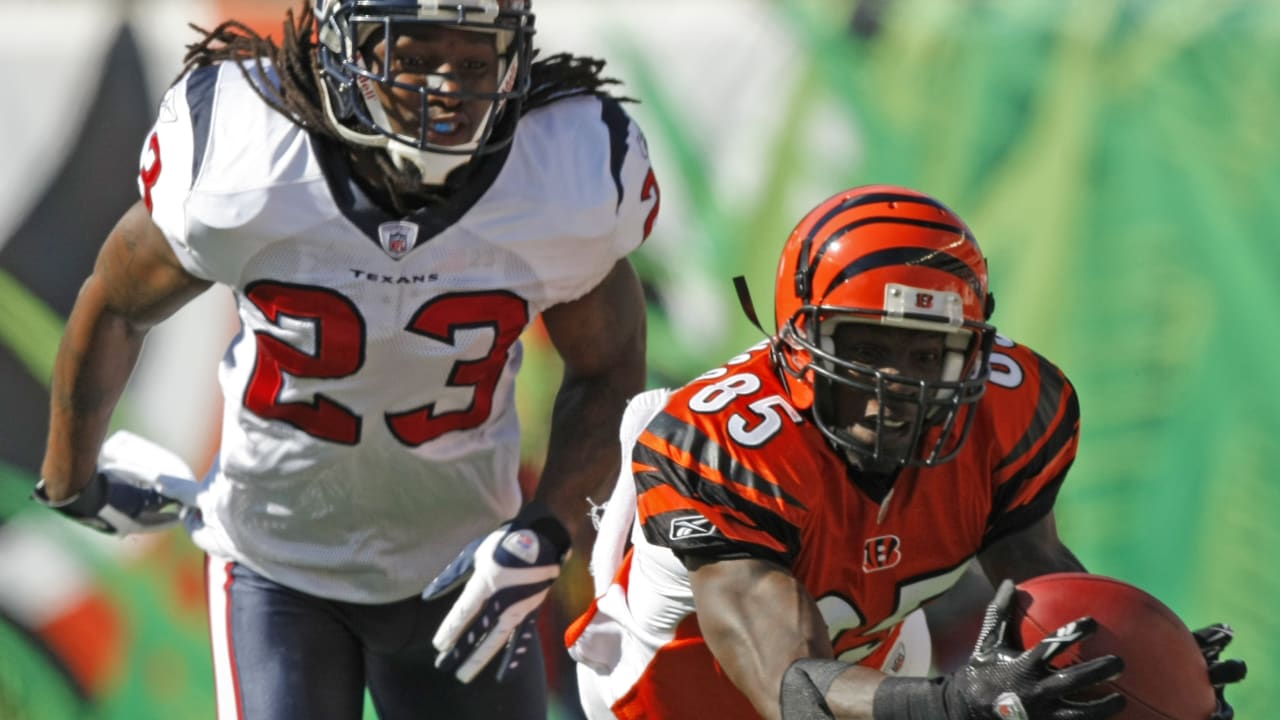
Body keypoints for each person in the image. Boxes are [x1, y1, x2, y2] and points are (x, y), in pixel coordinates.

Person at [35, 0, 659, 718]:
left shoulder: (561, 178)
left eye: (475, 61)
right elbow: (116, 305)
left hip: (464, 564)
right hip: (277, 568)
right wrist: (70, 479)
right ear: (344, 49)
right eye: (417, 59)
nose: (449, 90)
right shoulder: (248, 165)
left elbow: (608, 366)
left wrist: (547, 528)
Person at [567, 185, 1245, 720]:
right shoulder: (725, 446)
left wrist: (1129, 664)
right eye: (866, 348)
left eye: (926, 354)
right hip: (677, 698)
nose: (896, 385)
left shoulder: (1010, 409)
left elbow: (1034, 581)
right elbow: (791, 690)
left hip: (881, 660)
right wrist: (953, 705)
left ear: (974, 350)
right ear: (798, 340)